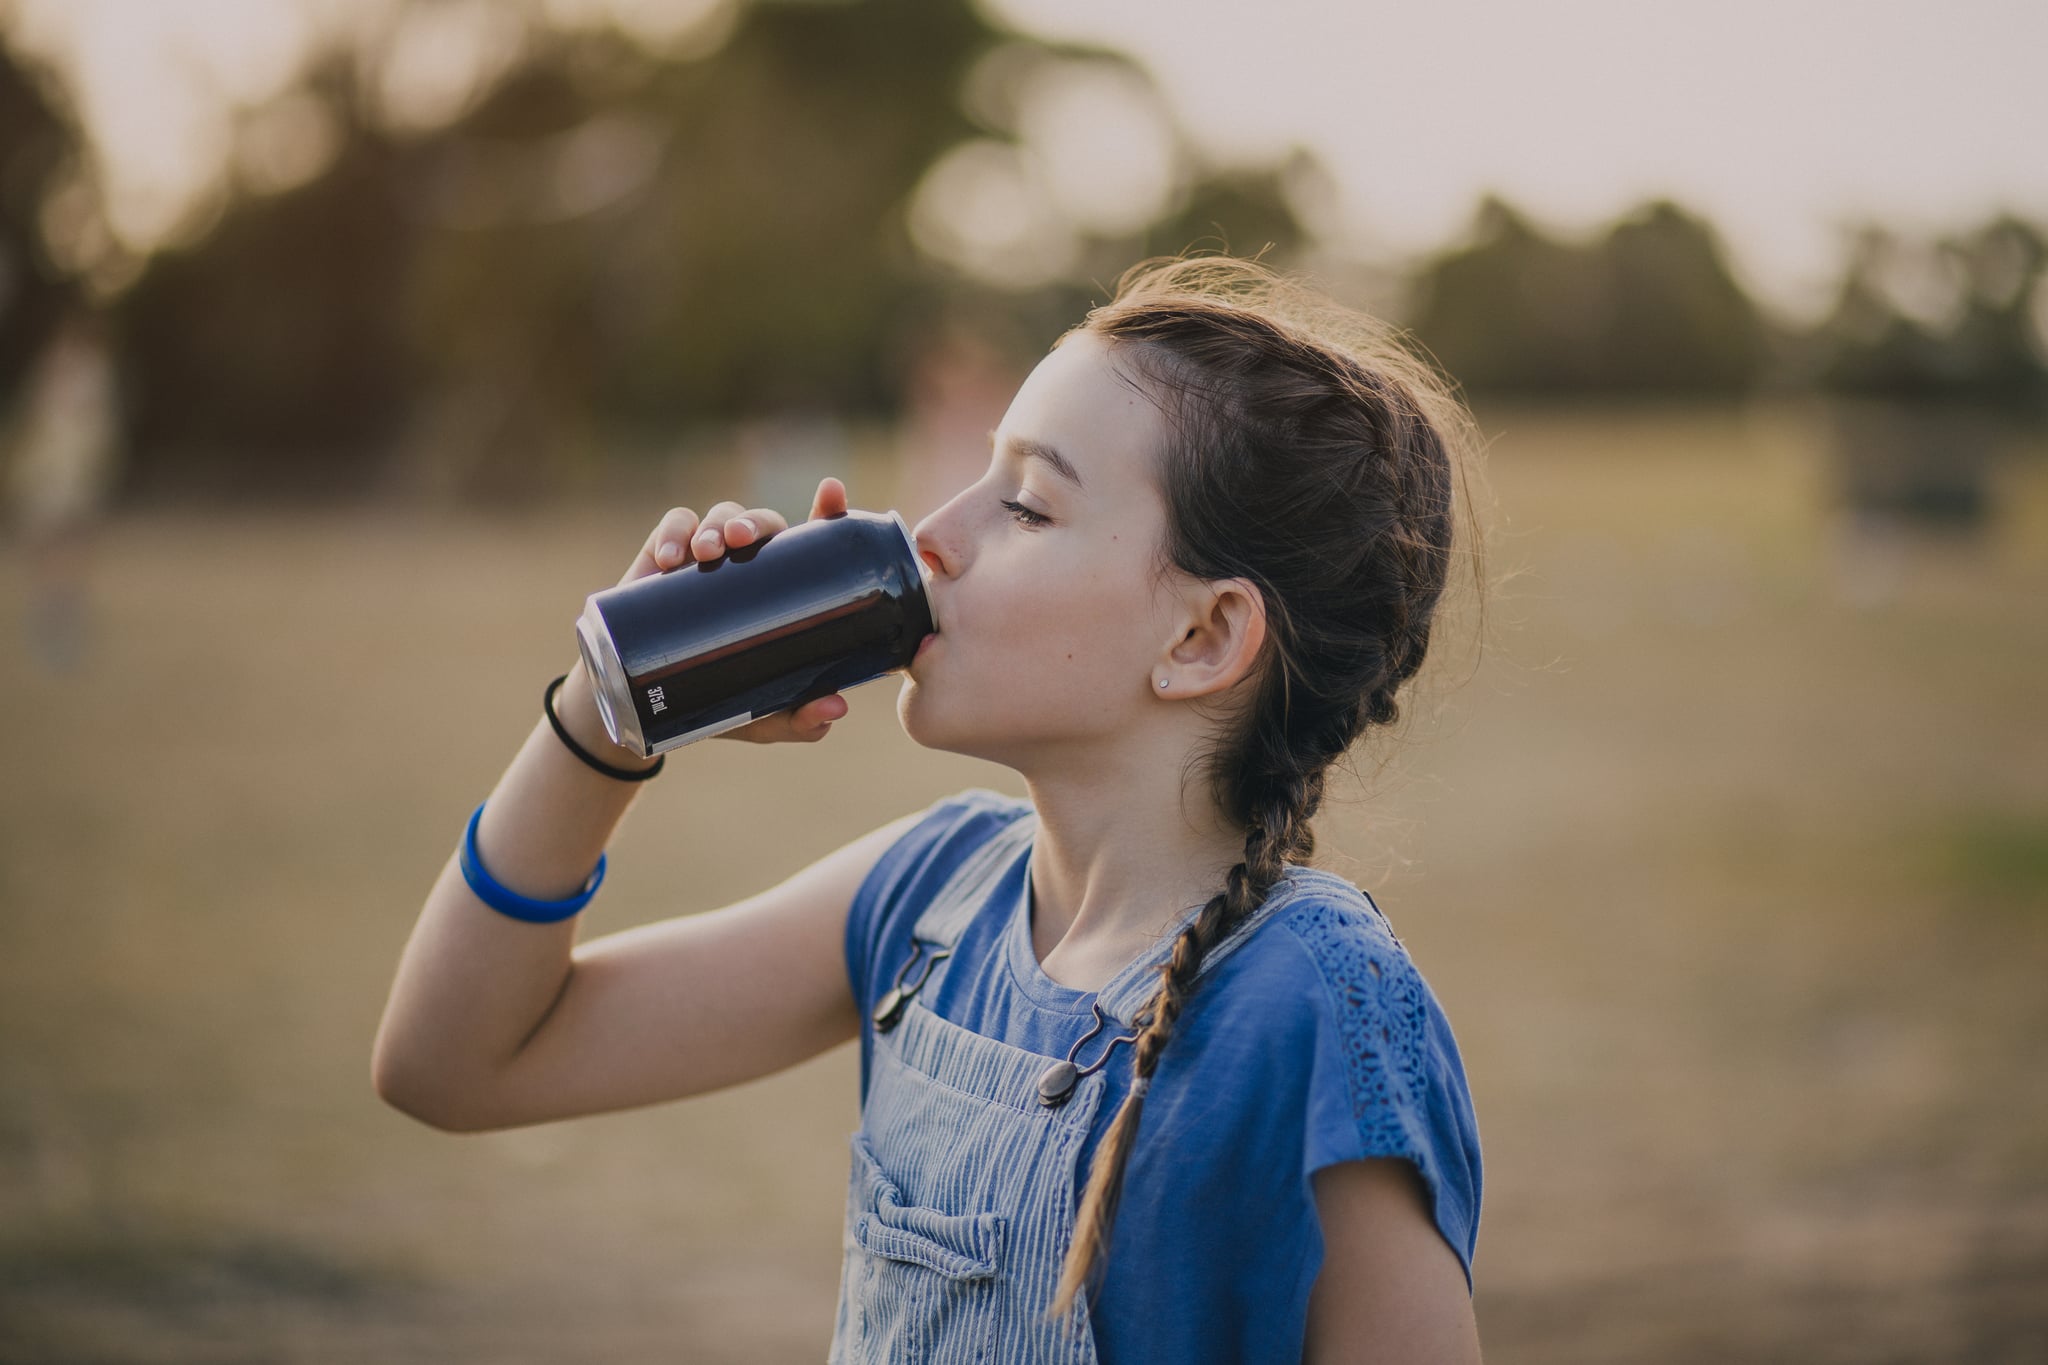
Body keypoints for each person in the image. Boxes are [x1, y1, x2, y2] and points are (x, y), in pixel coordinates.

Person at [374, 255, 1492, 1363]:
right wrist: (609, 712)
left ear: (1199, 639)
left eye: (1023, 504)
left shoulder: (1317, 1013)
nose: (930, 534)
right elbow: (455, 1063)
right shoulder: (927, 894)